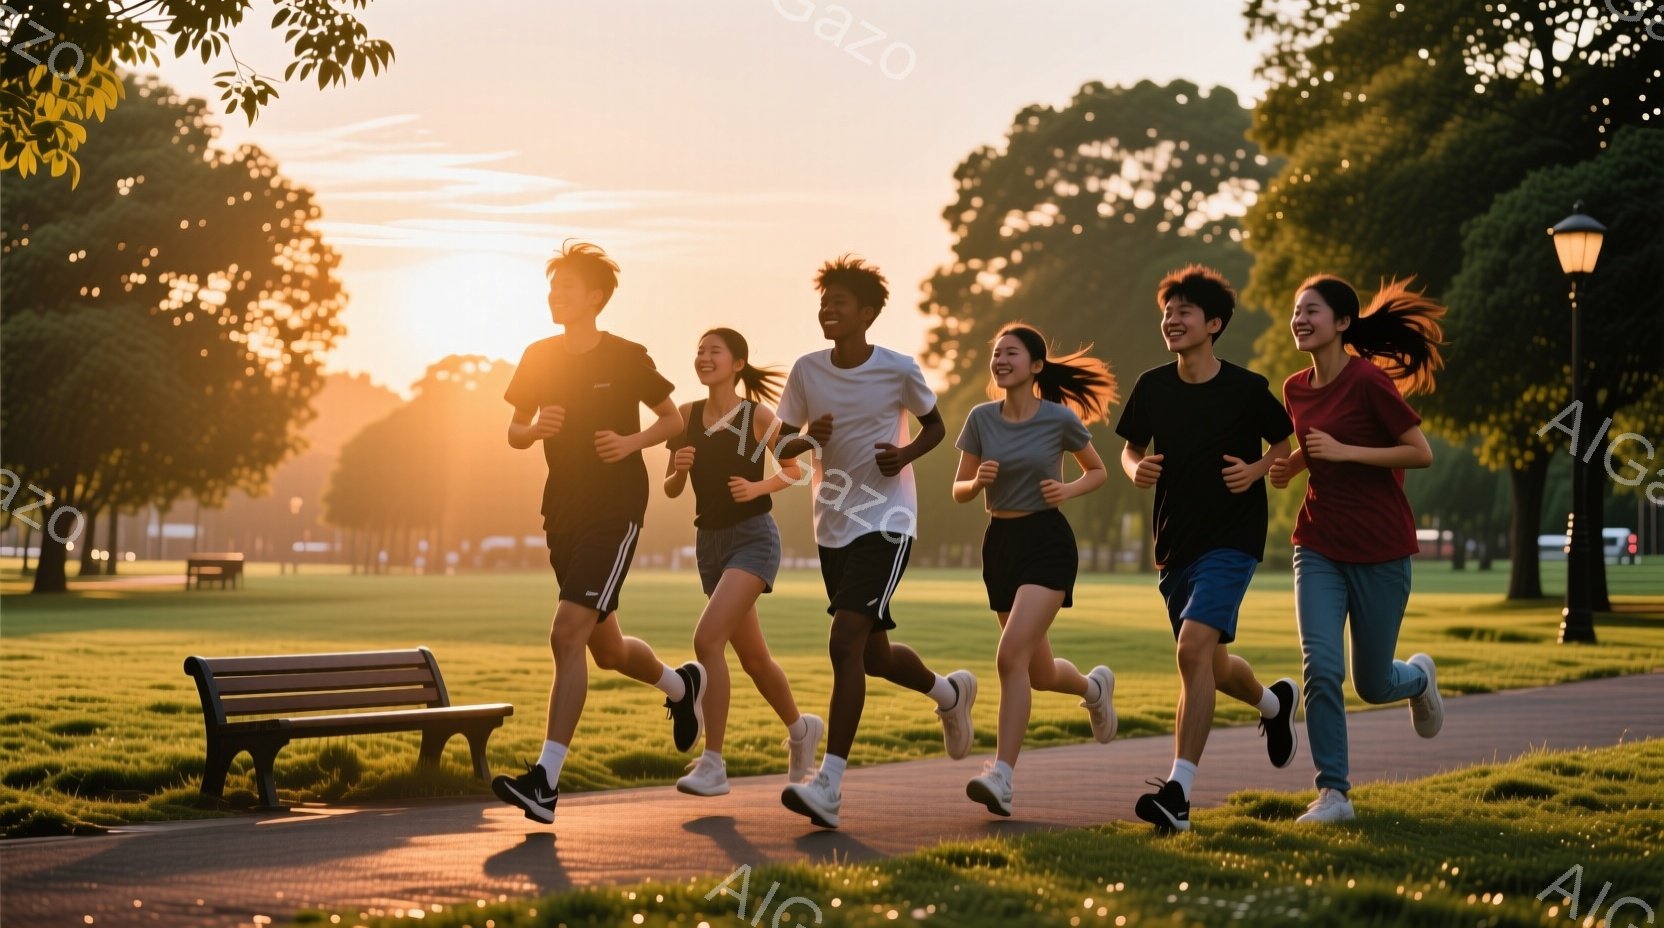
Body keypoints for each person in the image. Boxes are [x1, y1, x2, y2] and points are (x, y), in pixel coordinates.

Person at [491, 241, 704, 825]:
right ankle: (682, 687)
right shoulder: (537, 355)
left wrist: (631, 444)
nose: (554, 296)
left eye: (565, 288)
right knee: (605, 649)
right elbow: (511, 430)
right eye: (550, 287)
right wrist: (534, 429)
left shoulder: (626, 356)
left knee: (566, 632)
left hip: (616, 508)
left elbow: (673, 418)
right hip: (562, 506)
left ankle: (545, 782)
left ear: (595, 297)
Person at [772, 255, 976, 829]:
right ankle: (949, 694)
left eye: (838, 302)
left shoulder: (897, 369)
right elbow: (780, 447)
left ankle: (829, 786)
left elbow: (935, 426)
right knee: (872, 655)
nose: (826, 310)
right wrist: (808, 438)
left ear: (866, 313)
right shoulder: (807, 371)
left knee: (845, 641)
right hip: (833, 524)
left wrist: (905, 454)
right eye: (823, 302)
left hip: (888, 520)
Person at [1115, 264, 1302, 833]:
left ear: (1213, 323)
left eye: (1184, 312)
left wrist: (1258, 470)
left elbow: (1285, 443)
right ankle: (1273, 704)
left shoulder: (1247, 389)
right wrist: (1135, 469)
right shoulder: (1152, 386)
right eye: (1167, 311)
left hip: (1233, 538)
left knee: (1193, 650)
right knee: (1212, 664)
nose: (1171, 319)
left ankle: (1179, 795)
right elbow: (1129, 450)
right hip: (1175, 542)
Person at [1268, 274, 1448, 825]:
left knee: (1372, 684)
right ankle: (1334, 794)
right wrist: (1288, 465)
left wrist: (1345, 452)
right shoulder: (1294, 388)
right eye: (1297, 310)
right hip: (1318, 543)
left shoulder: (1369, 381)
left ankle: (1417, 678)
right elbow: (1311, 440)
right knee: (1320, 668)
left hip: (1381, 549)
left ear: (1342, 323)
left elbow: (1419, 453)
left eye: (1312, 311)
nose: (1300, 319)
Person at [952, 323, 1120, 817]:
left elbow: (1098, 470)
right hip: (999, 544)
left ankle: (1001, 776)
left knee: (1009, 658)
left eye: (1012, 353)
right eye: (997, 353)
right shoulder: (981, 418)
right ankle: (1093, 689)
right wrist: (975, 481)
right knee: (1040, 672)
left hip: (1046, 542)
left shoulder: (1058, 419)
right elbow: (959, 490)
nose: (1001, 360)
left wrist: (1066, 491)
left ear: (1036, 366)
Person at [663, 327, 824, 796]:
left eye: (714, 351)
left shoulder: (757, 416)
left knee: (707, 639)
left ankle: (713, 763)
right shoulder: (685, 416)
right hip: (709, 544)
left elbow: (798, 467)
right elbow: (671, 489)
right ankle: (800, 730)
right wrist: (678, 470)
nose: (703, 357)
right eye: (699, 351)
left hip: (753, 539)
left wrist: (757, 487)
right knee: (754, 658)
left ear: (736, 364)